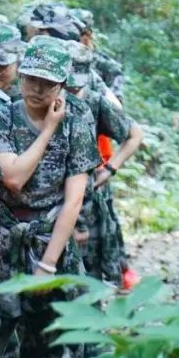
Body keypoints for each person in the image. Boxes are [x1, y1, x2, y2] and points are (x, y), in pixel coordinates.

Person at [0, 37, 100, 358]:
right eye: (31, 79)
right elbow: (12, 178)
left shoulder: (78, 119)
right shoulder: (1, 114)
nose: (37, 89)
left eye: (48, 83)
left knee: (44, 333)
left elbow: (74, 197)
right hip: (3, 237)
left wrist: (49, 264)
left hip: (50, 238)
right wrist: (48, 129)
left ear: (62, 85)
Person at [65, 41, 143, 284]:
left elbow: (134, 134)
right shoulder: (37, 100)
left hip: (86, 205)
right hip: (48, 204)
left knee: (88, 277)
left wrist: (109, 169)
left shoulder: (94, 101)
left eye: (76, 86)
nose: (71, 90)